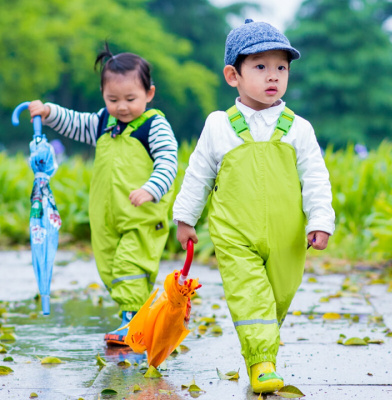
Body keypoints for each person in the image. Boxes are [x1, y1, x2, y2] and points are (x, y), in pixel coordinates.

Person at [173, 19, 335, 394]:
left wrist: (321, 219)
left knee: (277, 298)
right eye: (260, 67)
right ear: (234, 75)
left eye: (281, 67)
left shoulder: (298, 128)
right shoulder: (219, 125)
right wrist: (185, 218)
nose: (273, 76)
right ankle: (262, 363)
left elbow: (315, 178)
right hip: (235, 233)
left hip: (288, 237)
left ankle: (262, 355)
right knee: (250, 296)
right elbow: (198, 173)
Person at [29, 43, 178, 346]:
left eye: (130, 99)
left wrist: (151, 189)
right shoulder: (103, 123)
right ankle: (142, 314)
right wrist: (48, 112)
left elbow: (168, 160)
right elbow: (74, 122)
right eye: (113, 99)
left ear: (149, 93)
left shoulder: (153, 126)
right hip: (106, 218)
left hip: (142, 216)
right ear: (103, 96)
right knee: (110, 268)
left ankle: (132, 322)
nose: (122, 107)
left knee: (129, 267)